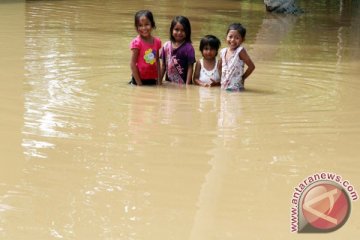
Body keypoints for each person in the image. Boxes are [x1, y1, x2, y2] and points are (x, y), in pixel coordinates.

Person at [160, 16, 196, 85]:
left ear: (187, 31)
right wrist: (159, 82)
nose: (179, 33)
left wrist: (187, 86)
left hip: (183, 83)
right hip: (169, 84)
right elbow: (163, 66)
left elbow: (190, 68)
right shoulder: (166, 46)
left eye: (183, 30)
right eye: (176, 29)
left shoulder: (189, 48)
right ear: (171, 30)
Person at [129, 10, 162, 86]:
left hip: (152, 79)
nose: (144, 28)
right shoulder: (137, 43)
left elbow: (157, 61)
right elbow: (132, 64)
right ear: (137, 27)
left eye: (147, 24)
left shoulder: (157, 42)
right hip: (138, 79)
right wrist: (139, 84)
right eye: (140, 25)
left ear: (152, 24)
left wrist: (159, 81)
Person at [220, 23, 255, 91]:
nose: (233, 40)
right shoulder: (223, 51)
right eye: (230, 37)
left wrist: (243, 78)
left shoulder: (240, 51)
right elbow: (220, 67)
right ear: (226, 37)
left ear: (242, 40)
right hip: (224, 87)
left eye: (237, 38)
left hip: (236, 89)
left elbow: (251, 66)